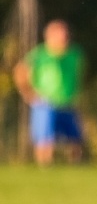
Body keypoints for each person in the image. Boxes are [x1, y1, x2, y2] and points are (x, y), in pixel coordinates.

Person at [12, 19, 86, 165]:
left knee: (75, 138)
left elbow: (78, 76)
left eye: (65, 34)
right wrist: (28, 94)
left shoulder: (74, 54)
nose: (63, 38)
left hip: (67, 101)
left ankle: (76, 168)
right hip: (45, 102)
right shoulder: (40, 55)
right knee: (45, 138)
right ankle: (44, 168)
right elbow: (20, 72)